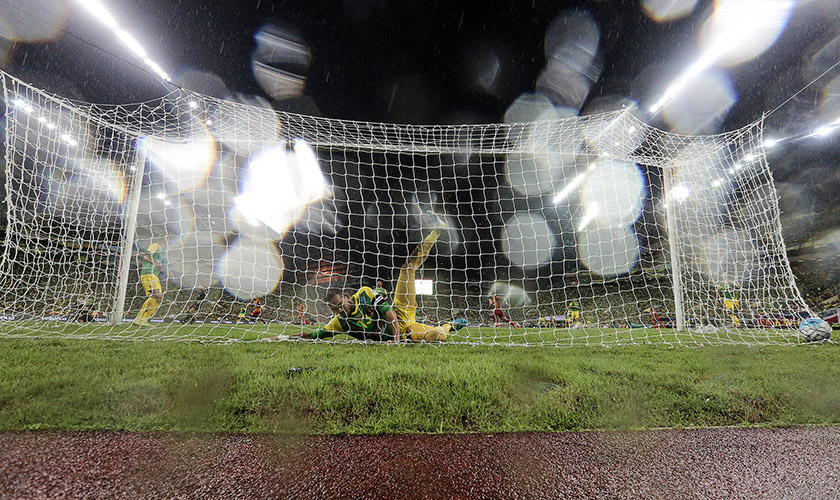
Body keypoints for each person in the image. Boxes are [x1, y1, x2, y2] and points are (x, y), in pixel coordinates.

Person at [292, 229, 466, 342]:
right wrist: (287, 336)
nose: (339, 311)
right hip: (408, 332)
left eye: (339, 305)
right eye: (334, 310)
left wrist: (395, 340)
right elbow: (316, 335)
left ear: (346, 297)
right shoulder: (341, 323)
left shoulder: (363, 294)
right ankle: (450, 325)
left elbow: (388, 312)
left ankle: (436, 230)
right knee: (439, 335)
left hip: (400, 310)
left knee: (407, 267)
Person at [133, 242, 163, 326]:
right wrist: (154, 263)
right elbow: (145, 257)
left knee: (158, 298)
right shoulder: (155, 245)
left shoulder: (162, 252)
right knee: (156, 295)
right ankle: (139, 319)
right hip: (148, 273)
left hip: (154, 275)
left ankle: (144, 320)